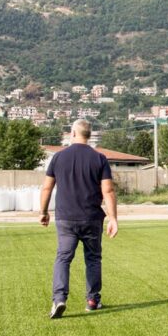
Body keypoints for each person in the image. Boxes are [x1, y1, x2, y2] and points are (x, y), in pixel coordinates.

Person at [40, 119, 119, 319]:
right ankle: (93, 300)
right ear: (89, 135)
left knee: (63, 258)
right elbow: (108, 190)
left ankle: (59, 299)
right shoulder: (99, 159)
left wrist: (43, 211)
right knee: (93, 258)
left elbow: (47, 187)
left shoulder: (58, 158)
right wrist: (113, 218)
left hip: (66, 218)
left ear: (73, 133)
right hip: (91, 218)